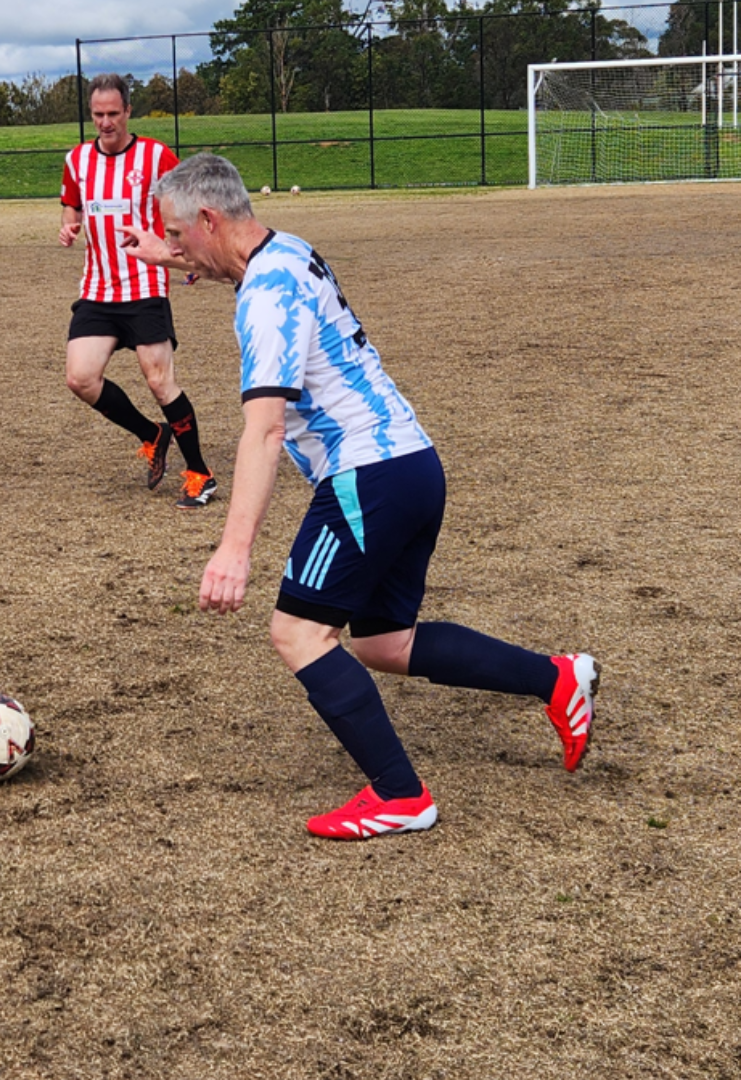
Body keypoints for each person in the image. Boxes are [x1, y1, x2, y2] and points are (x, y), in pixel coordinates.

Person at [123, 152, 600, 840]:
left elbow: (262, 433)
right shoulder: (285, 250)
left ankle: (400, 796)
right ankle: (555, 679)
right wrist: (172, 260)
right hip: (411, 464)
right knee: (383, 640)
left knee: (297, 632)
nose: (171, 247)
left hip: (364, 477)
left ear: (208, 218)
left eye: (175, 234)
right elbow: (232, 263)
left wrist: (233, 550)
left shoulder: (266, 297)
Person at [59, 73, 215, 509]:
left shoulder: (155, 155)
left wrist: (192, 250)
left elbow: (190, 201)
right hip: (97, 287)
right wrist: (69, 223)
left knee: (159, 381)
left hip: (145, 284)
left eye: (113, 113)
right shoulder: (77, 160)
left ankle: (200, 474)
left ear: (128, 112)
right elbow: (72, 201)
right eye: (98, 115)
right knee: (80, 378)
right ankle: (152, 434)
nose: (105, 122)